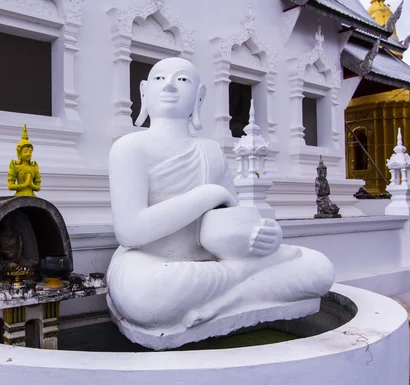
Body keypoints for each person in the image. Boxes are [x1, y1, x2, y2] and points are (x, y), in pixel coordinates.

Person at [105, 58, 335, 346]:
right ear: (143, 92)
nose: (170, 87)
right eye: (159, 79)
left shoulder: (210, 151)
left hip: (206, 263)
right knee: (145, 295)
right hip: (150, 264)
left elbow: (230, 224)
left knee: (318, 269)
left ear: (199, 96)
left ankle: (224, 296)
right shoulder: (129, 147)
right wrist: (207, 195)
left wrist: (262, 237)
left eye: (182, 80)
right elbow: (129, 231)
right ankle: (244, 279)